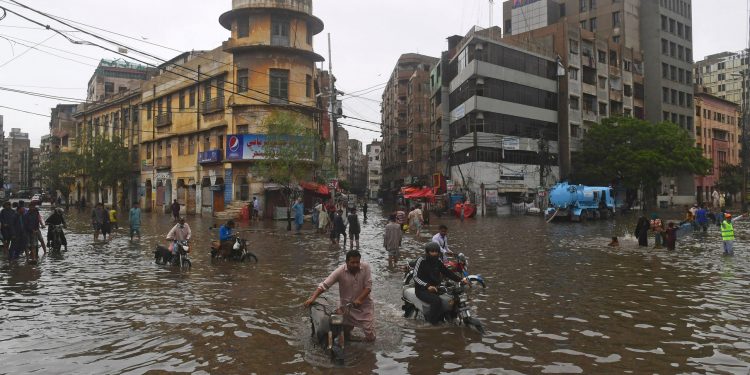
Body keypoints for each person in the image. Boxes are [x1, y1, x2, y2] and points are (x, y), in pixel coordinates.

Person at [304, 250, 375, 342]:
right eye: (352, 262)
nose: (355, 265)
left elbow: (368, 287)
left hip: (365, 306)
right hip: (347, 306)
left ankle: (368, 352)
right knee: (345, 331)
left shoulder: (365, 267)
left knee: (370, 335)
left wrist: (359, 300)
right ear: (346, 262)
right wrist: (312, 298)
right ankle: (351, 347)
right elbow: (324, 285)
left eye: (357, 262)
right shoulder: (340, 271)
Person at [413, 242, 468, 325]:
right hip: (422, 289)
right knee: (436, 301)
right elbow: (415, 277)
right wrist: (427, 286)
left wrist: (460, 280)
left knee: (452, 296)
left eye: (436, 251)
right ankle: (432, 323)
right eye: (432, 251)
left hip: (435, 287)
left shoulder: (438, 260)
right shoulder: (421, 260)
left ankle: (451, 318)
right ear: (427, 252)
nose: (434, 253)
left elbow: (447, 272)